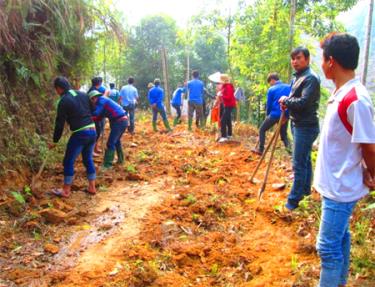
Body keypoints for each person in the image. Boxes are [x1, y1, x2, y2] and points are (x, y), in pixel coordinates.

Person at [313, 33, 375, 287]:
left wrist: (372, 172)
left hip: (341, 189)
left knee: (326, 248)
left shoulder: (355, 100)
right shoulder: (342, 94)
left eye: (322, 58)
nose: (321, 63)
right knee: (339, 238)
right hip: (336, 184)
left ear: (331, 62)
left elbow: (369, 146)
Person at [279, 46, 321, 211]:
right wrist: (286, 103)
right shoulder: (297, 77)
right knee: (304, 160)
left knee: (298, 164)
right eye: (293, 58)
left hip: (306, 126)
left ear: (307, 59)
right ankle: (304, 193)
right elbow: (293, 99)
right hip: (297, 123)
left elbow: (303, 103)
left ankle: (293, 201)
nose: (295, 62)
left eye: (298, 58)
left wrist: (286, 101)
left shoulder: (310, 78)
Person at [50, 77, 96, 197]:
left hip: (81, 133)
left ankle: (66, 190)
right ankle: (92, 187)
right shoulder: (83, 94)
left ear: (59, 89)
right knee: (88, 159)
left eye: (56, 89)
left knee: (68, 161)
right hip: (92, 131)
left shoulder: (63, 100)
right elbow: (93, 109)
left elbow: (59, 123)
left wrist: (55, 141)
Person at [252, 73, 291, 155]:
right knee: (284, 135)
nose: (270, 85)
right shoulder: (289, 87)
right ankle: (291, 153)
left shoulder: (272, 89)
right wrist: (287, 116)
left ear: (273, 80)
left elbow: (269, 105)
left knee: (262, 129)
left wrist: (268, 115)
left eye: (270, 83)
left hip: (274, 114)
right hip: (285, 115)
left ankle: (261, 149)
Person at [89, 90, 128, 168]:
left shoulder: (101, 100)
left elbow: (96, 113)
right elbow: (98, 117)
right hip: (121, 121)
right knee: (116, 141)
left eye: (91, 101)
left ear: (94, 98)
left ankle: (107, 165)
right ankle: (121, 160)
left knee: (110, 143)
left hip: (119, 121)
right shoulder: (102, 102)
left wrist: (87, 115)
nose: (92, 103)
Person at [88, 77, 107, 156]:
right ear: (99, 83)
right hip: (95, 114)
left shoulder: (91, 89)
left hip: (96, 114)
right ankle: (91, 150)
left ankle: (95, 148)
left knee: (98, 131)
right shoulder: (94, 91)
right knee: (97, 132)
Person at [218, 74, 236, 143]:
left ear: (224, 80)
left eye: (221, 79)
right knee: (228, 119)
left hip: (229, 104)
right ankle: (230, 134)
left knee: (223, 120)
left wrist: (222, 95)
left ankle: (224, 136)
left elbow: (228, 97)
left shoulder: (228, 86)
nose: (220, 81)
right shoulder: (224, 86)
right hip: (226, 104)